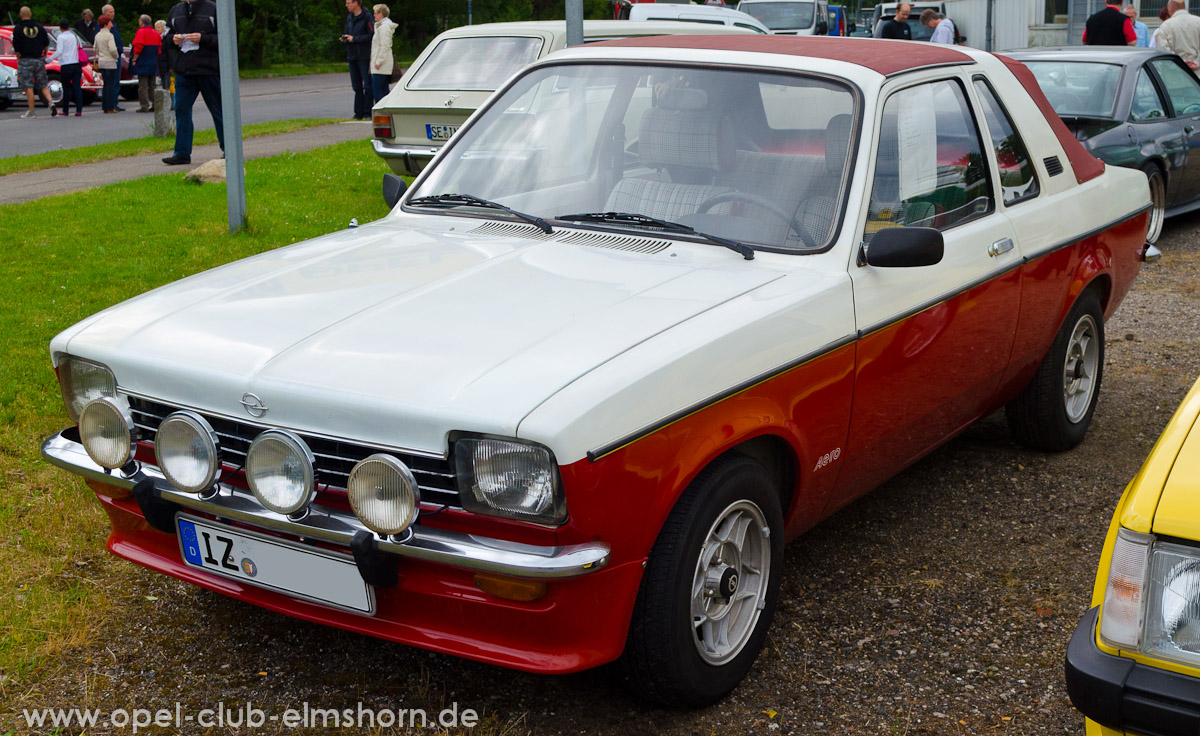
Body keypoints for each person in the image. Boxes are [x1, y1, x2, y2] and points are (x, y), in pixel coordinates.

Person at [162, 0, 223, 165]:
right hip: (184, 71)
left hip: (208, 70)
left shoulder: (213, 9)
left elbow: (226, 38)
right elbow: (165, 37)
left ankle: (229, 149)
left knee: (218, 110)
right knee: (181, 110)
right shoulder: (175, 11)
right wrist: (172, 39)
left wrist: (203, 38)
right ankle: (181, 153)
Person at [11, 6, 55, 119]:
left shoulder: (18, 28)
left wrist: (18, 58)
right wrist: (44, 55)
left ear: (21, 15)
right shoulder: (39, 27)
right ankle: (51, 102)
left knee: (29, 86)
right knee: (43, 84)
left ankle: (31, 111)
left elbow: (16, 45)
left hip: (25, 59)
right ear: (30, 14)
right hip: (38, 59)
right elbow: (46, 42)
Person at [342, 0, 374, 120]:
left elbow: (371, 35)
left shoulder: (367, 16)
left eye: (349, 3)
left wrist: (355, 39)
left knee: (367, 85)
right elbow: (347, 31)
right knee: (356, 86)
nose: (347, 5)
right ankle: (358, 113)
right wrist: (345, 38)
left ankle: (367, 112)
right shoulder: (350, 17)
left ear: (356, 3)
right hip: (352, 55)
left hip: (364, 56)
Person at [47, 18, 83, 116]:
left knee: (66, 88)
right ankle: (79, 110)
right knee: (77, 87)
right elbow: (80, 47)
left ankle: (65, 110)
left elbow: (59, 51)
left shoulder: (61, 37)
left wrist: (49, 59)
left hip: (66, 65)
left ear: (60, 27)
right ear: (68, 26)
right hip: (76, 64)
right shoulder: (75, 36)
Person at [1158, 0, 1200, 71]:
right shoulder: (1198, 21)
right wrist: (1197, 62)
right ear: (1184, 7)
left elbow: (1163, 51)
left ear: (1170, 8)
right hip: (1195, 73)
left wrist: (1179, 64)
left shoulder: (1165, 26)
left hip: (1173, 72)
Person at [130, 14, 160, 112]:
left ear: (142, 22)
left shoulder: (141, 32)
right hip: (153, 61)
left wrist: (134, 59)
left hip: (143, 61)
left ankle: (144, 105)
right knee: (152, 85)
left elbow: (138, 47)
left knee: (142, 85)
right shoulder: (156, 33)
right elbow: (159, 50)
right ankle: (155, 104)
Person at [369, 4, 396, 104]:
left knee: (378, 92)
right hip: (379, 64)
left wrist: (379, 61)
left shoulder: (384, 28)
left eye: (375, 13)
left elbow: (385, 46)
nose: (374, 15)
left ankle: (381, 115)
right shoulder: (381, 27)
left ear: (381, 14)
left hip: (381, 65)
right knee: (383, 90)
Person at [100, 4, 126, 111]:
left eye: (113, 11)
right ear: (104, 13)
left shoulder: (113, 24)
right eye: (110, 12)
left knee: (112, 82)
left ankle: (111, 103)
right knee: (111, 82)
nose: (113, 14)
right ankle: (111, 104)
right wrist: (116, 54)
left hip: (111, 57)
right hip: (111, 58)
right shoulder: (103, 27)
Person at [95, 15, 120, 112]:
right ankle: (110, 107)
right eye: (110, 22)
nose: (111, 24)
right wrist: (116, 56)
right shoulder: (109, 35)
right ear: (106, 24)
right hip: (110, 61)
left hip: (101, 61)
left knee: (105, 85)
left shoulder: (97, 35)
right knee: (111, 85)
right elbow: (113, 49)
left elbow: (95, 49)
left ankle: (104, 106)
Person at [155, 19, 173, 109]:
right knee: (164, 85)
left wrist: (171, 66)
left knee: (168, 85)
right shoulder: (158, 38)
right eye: (156, 28)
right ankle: (167, 103)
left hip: (166, 64)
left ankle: (172, 103)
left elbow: (169, 53)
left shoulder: (166, 38)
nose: (156, 29)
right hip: (161, 65)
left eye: (158, 27)